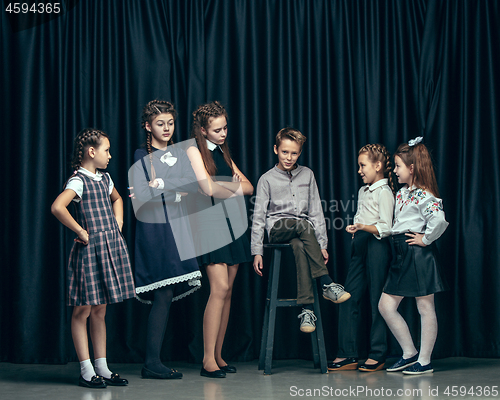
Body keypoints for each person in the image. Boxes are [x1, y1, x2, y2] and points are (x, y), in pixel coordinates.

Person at [51, 128, 135, 388]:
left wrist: (117, 221)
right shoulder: (79, 181)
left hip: (108, 246)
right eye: (106, 150)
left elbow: (118, 199)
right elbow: (57, 207)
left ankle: (102, 367)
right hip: (89, 251)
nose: (110, 155)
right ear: (91, 152)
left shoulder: (105, 178)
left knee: (100, 309)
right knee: (83, 309)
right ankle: (86, 370)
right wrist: (80, 230)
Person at [251, 127, 350, 335]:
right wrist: (257, 251)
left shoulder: (307, 174)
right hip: (278, 227)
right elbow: (259, 216)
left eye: (294, 153)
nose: (289, 157)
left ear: (300, 153)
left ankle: (307, 309)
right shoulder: (266, 179)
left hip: (302, 233)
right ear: (275, 149)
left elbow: (316, 211)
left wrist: (322, 244)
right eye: (284, 152)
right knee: (303, 226)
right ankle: (326, 282)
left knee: (299, 244)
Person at [129, 100, 202, 379]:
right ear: (148, 126)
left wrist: (165, 189)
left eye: (170, 123)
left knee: (167, 294)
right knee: (163, 292)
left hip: (177, 229)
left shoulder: (180, 154)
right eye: (160, 123)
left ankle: (153, 360)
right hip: (155, 231)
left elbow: (191, 189)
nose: (167, 128)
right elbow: (143, 199)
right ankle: (151, 362)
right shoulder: (141, 155)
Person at [186, 101, 253, 378]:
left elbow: (249, 186)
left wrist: (228, 187)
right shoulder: (193, 149)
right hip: (211, 225)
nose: (223, 133)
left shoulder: (223, 152)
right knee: (218, 289)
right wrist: (233, 185)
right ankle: (207, 359)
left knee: (227, 293)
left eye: (225, 127)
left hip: (233, 225)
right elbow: (206, 188)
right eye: (217, 129)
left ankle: (219, 355)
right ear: (203, 130)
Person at [378, 137, 449, 375]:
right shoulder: (402, 194)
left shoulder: (425, 195)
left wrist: (426, 239)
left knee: (425, 306)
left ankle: (425, 360)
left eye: (397, 166)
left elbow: (438, 220)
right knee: (386, 306)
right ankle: (409, 353)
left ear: (411, 168)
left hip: (418, 254)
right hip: (400, 253)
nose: (394, 170)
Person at [328, 144, 395, 372]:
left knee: (378, 299)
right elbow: (360, 216)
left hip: (377, 246)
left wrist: (364, 227)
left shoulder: (385, 192)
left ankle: (378, 353)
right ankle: (347, 353)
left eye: (363, 165)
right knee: (348, 296)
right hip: (361, 245)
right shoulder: (363, 191)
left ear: (377, 166)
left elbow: (387, 227)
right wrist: (356, 230)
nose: (359, 170)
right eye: (359, 166)